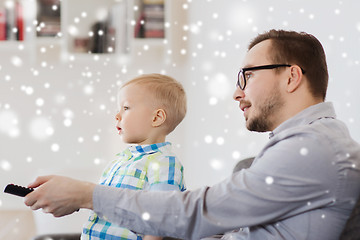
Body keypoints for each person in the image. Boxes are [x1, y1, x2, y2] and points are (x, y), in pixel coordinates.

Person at [25, 29, 360, 240]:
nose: (236, 93)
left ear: (291, 77)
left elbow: (198, 212)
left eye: (247, 77)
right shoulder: (305, 143)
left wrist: (86, 195)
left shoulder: (314, 147)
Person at [81, 73, 187, 240]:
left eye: (126, 108)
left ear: (156, 117)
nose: (117, 115)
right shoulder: (120, 160)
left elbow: (161, 217)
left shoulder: (165, 162)